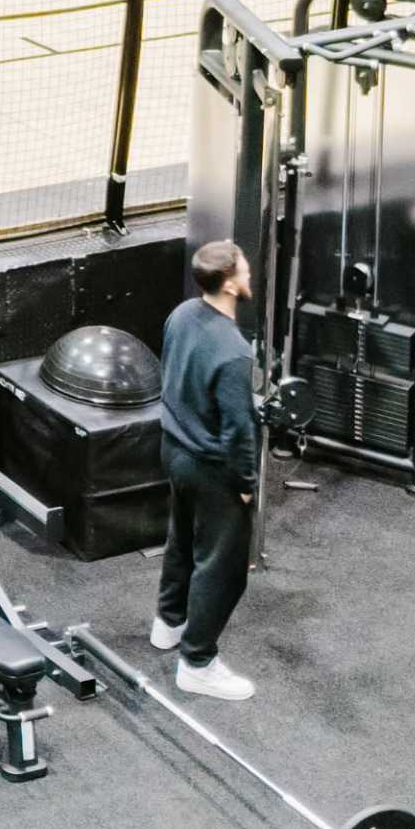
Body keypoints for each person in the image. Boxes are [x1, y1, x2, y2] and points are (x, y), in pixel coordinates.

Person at [153, 236, 262, 699]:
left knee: (182, 538)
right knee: (223, 566)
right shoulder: (234, 350)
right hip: (211, 468)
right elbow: (238, 431)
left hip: (174, 452)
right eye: (245, 269)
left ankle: (169, 622)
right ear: (232, 285)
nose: (250, 273)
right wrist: (245, 483)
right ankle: (197, 660)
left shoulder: (181, 315)